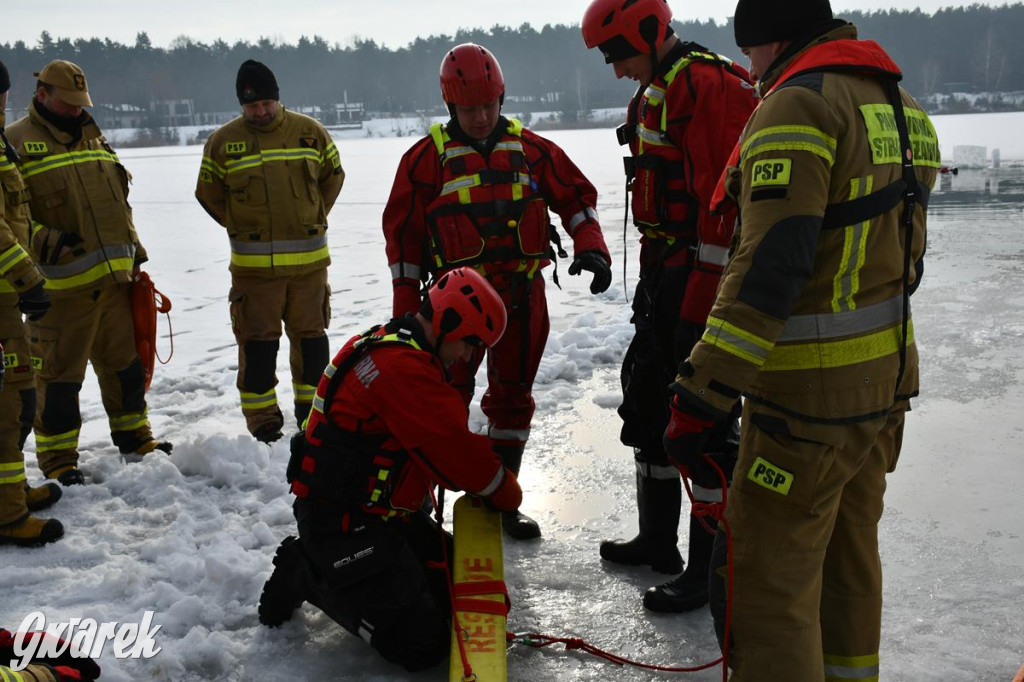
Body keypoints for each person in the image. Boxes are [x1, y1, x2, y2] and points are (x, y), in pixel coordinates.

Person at [663, 0, 937, 678]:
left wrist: (702, 394)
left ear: (773, 37)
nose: (749, 67)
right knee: (848, 563)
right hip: (882, 391)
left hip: (806, 406)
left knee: (768, 588)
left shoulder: (798, 106)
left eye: (750, 49)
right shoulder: (901, 105)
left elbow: (768, 271)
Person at [382, 43, 612, 540]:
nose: (482, 117)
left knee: (513, 399)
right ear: (450, 107)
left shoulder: (533, 151)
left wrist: (591, 246)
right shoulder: (424, 161)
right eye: (470, 109)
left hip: (521, 296)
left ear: (502, 99)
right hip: (453, 309)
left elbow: (576, 198)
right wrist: (406, 312)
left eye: (489, 105)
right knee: (442, 401)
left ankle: (501, 499)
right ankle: (417, 509)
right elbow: (403, 240)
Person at [257, 267, 523, 672]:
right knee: (422, 644)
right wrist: (506, 491)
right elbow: (458, 457)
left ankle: (338, 568)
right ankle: (307, 571)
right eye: (471, 343)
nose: (470, 356)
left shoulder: (396, 344)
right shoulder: (402, 367)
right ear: (449, 322)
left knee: (469, 600)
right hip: (341, 527)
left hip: (381, 518)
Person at [581, 0, 756, 611]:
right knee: (648, 400)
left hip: (698, 277)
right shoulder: (656, 88)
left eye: (618, 53)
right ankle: (658, 541)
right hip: (663, 272)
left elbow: (722, 209)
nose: (615, 69)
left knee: (703, 423)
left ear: (651, 31)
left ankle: (709, 571)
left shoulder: (707, 86)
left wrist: (699, 308)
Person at [6, 60, 169, 487]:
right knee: (59, 380)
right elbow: (10, 217)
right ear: (42, 94)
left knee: (125, 369)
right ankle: (59, 459)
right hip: (58, 292)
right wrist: (47, 242)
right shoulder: (15, 143)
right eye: (68, 102)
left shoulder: (94, 137)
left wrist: (136, 254)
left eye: (81, 102)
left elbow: (119, 203)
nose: (76, 110)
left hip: (114, 284)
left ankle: (135, 438)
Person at [196, 60, 345, 444]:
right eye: (251, 106)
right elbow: (208, 194)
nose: (260, 112)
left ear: (277, 99)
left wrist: (311, 218)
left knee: (312, 344)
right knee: (258, 348)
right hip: (254, 274)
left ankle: (312, 414)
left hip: (309, 269)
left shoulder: (310, 132)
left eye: (266, 104)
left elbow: (332, 178)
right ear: (241, 105)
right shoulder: (222, 142)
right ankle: (263, 422)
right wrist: (242, 226)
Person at [0, 58, 64, 545]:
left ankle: (12, 489)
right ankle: (7, 514)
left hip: (8, 299)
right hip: (5, 294)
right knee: (9, 405)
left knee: (19, 399)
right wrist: (28, 279)